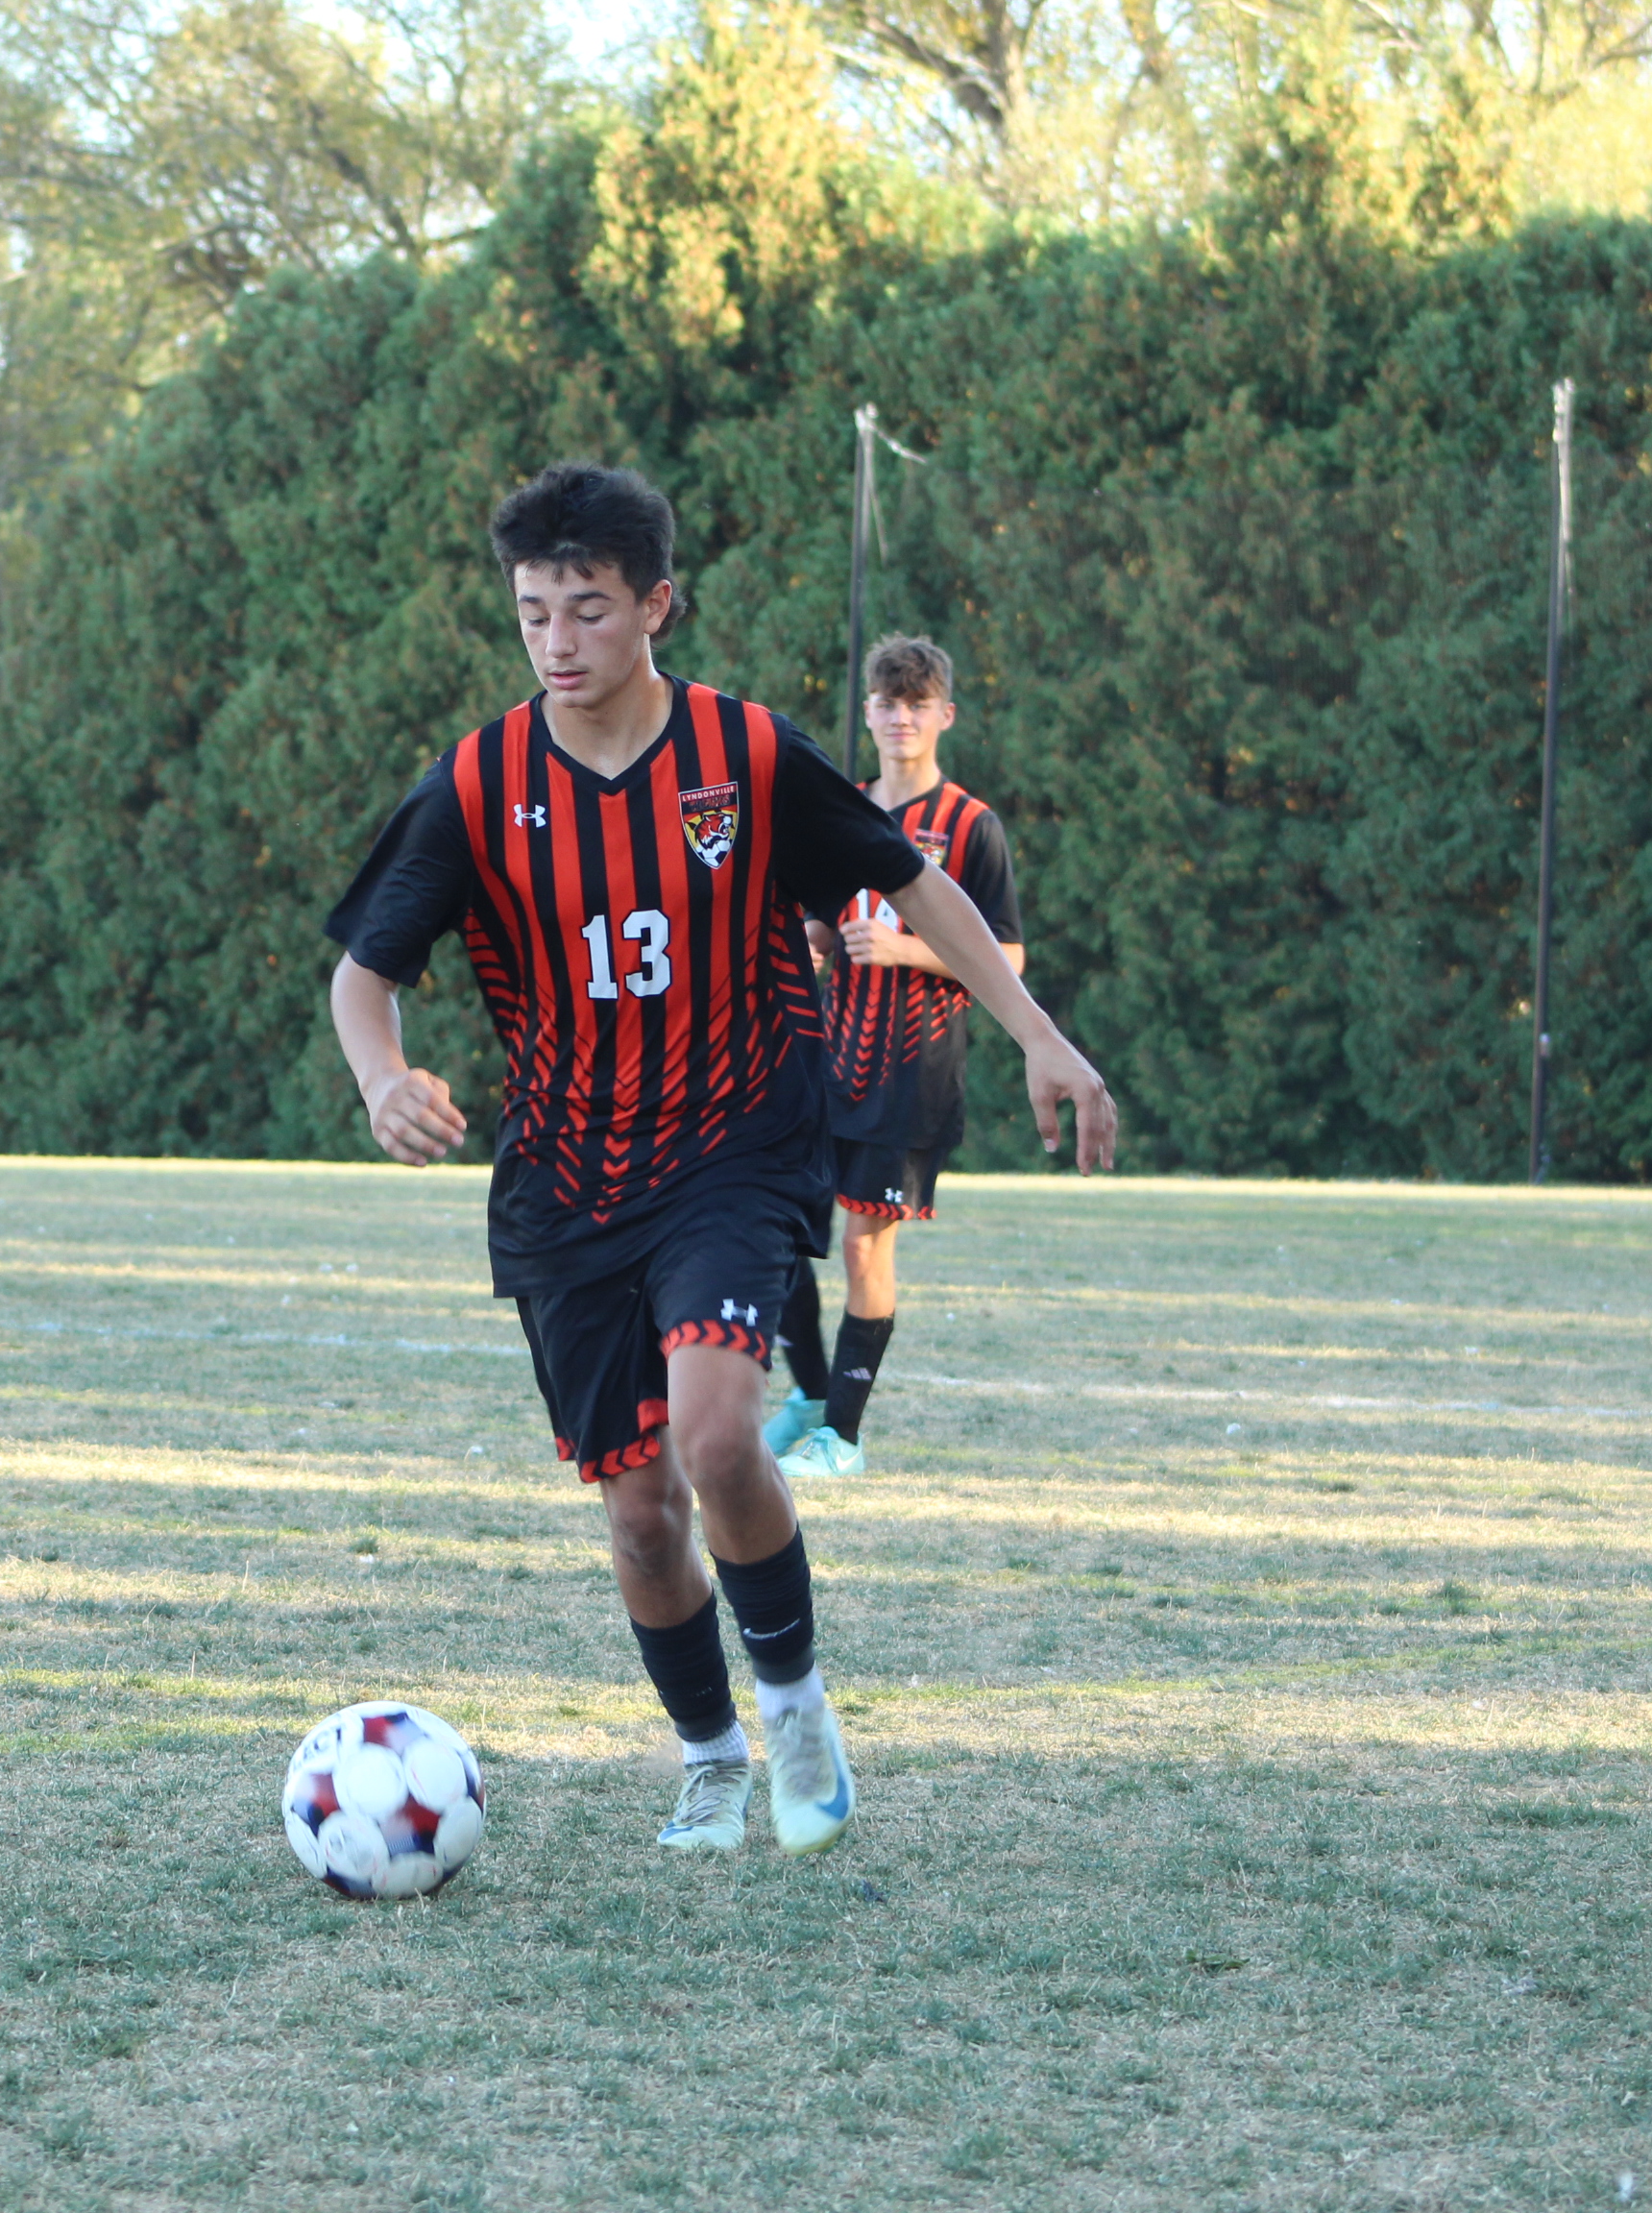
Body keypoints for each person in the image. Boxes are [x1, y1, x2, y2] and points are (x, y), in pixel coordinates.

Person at [325, 462, 1114, 1857]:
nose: (559, 644)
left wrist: (1042, 1038)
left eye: (588, 610)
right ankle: (711, 1759)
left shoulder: (745, 758)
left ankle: (800, 1711)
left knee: (719, 1437)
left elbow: (910, 877)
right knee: (638, 1515)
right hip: (566, 1185)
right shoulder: (480, 779)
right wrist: (384, 1081)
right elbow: (363, 976)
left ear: (657, 606)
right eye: (533, 615)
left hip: (735, 1152)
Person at [766, 636, 1023, 1480]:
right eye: (886, 701)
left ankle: (842, 1434)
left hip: (908, 1071)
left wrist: (902, 948)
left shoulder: (970, 826)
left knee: (864, 1249)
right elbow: (814, 924)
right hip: (817, 1060)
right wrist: (802, 949)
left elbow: (1007, 960)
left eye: (917, 703)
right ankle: (806, 1397)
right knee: (771, 1229)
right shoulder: (843, 807)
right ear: (868, 713)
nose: (900, 716)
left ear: (944, 715)